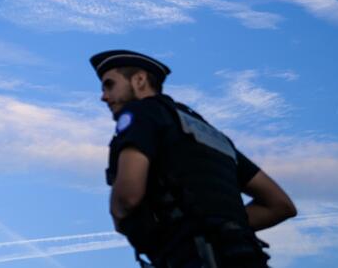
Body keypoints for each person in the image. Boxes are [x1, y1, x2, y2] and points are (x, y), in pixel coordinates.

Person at [91, 49, 296, 267]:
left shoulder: (141, 113)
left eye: (109, 85)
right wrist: (229, 229)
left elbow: (127, 198)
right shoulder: (213, 135)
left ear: (139, 80)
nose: (103, 96)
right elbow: (280, 205)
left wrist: (121, 216)